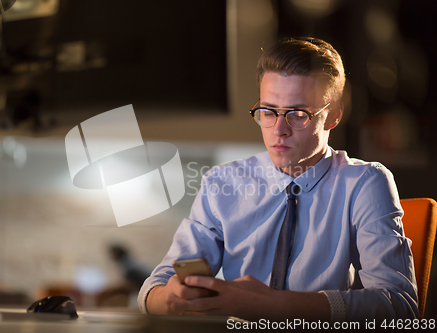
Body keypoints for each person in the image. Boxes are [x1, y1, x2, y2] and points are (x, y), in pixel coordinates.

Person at [137, 37, 418, 322]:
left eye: (298, 114)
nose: (279, 130)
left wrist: (275, 306)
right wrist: (168, 299)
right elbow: (155, 287)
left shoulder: (364, 183)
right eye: (268, 111)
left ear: (333, 116)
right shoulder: (222, 182)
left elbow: (400, 307)